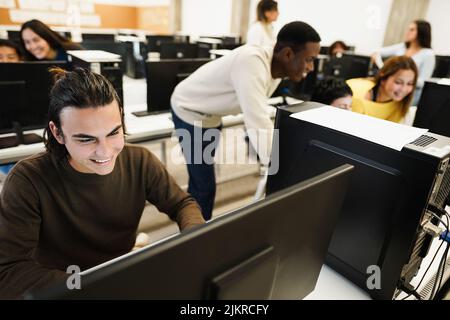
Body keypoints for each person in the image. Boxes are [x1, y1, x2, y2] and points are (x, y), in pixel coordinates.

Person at [0, 68, 205, 299]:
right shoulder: (27, 180)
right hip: (66, 289)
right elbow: (9, 271)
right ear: (57, 133)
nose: (105, 151)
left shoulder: (139, 160)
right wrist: (90, 284)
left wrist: (195, 239)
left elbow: (182, 204)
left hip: (120, 274)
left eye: (113, 132)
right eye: (86, 139)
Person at [171, 21, 321, 220]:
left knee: (201, 178)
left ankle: (194, 225)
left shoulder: (275, 68)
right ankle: (193, 238)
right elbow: (257, 122)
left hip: (211, 115)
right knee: (204, 186)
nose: (311, 67)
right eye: (309, 59)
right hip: (188, 110)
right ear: (287, 54)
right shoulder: (252, 61)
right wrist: (282, 171)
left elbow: (257, 113)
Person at [373, 20, 435, 105]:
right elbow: (378, 51)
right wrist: (382, 66)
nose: (407, 32)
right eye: (408, 29)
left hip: (409, 96)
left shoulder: (428, 54)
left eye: (412, 29)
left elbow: (423, 82)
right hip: (391, 91)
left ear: (421, 32)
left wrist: (404, 80)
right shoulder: (403, 47)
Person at [347, 55, 418, 123]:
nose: (404, 89)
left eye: (410, 83)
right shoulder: (357, 94)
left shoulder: (401, 104)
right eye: (398, 82)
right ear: (383, 79)